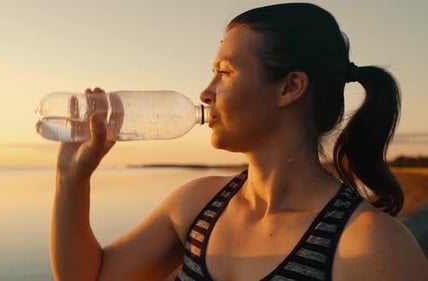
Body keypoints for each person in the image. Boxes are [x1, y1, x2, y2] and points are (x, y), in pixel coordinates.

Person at [50, 3, 428, 281]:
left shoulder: (371, 246)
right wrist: (71, 178)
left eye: (224, 72)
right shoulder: (196, 206)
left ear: (289, 87)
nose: (205, 92)